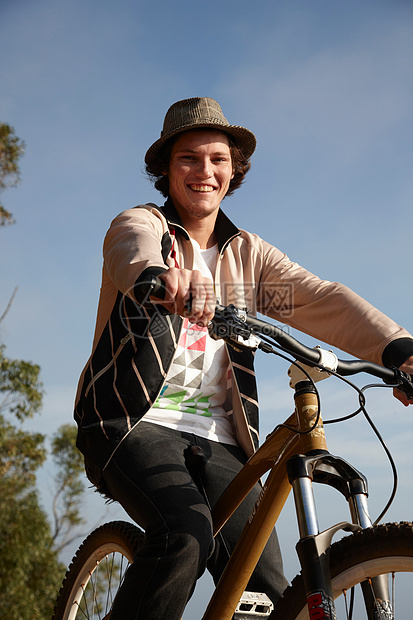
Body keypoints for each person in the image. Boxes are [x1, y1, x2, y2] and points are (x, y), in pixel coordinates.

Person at [74, 97, 413, 619]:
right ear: (165, 170)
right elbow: (129, 252)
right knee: (184, 536)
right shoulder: (145, 225)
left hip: (221, 438)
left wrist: (399, 349)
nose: (204, 172)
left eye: (217, 160)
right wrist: (162, 277)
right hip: (130, 420)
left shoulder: (248, 261)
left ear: (234, 171)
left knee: (269, 588)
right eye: (188, 158)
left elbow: (319, 301)